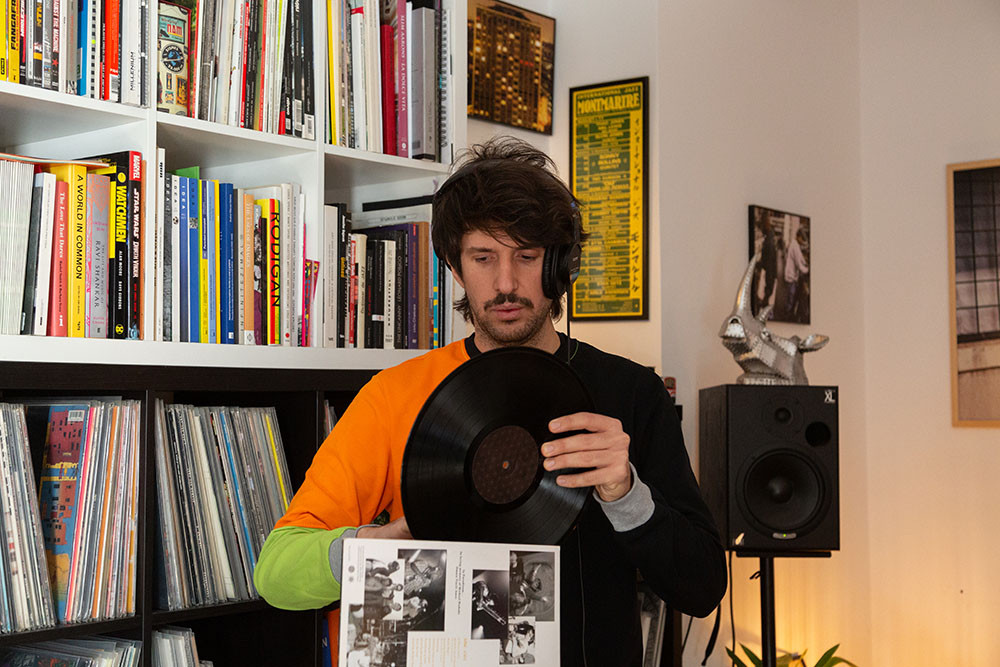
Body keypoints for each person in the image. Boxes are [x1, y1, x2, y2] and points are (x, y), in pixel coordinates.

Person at [253, 136, 727, 666]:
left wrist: (626, 495)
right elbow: (276, 573)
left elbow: (703, 588)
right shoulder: (394, 395)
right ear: (456, 269)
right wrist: (375, 546)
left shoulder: (633, 393)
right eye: (483, 258)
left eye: (527, 256)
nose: (506, 283)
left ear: (559, 266)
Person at [751, 209, 778, 318]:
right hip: (767, 273)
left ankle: (765, 310)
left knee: (765, 295)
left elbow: (769, 264)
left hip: (767, 274)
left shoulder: (768, 241)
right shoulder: (768, 239)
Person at [783, 227, 809, 320]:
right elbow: (799, 264)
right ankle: (787, 316)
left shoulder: (795, 245)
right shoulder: (795, 246)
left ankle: (788, 314)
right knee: (791, 298)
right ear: (799, 237)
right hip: (791, 276)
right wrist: (808, 269)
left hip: (791, 275)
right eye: (802, 239)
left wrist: (805, 263)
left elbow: (800, 258)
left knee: (791, 297)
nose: (803, 241)